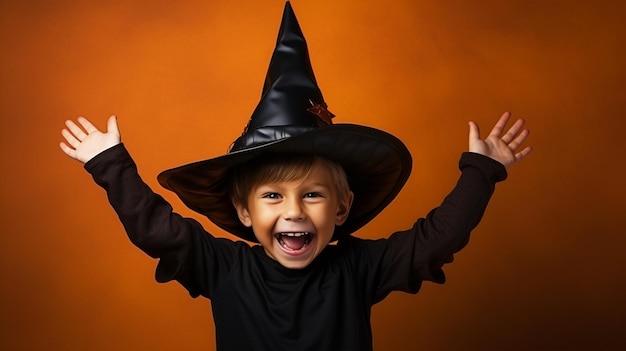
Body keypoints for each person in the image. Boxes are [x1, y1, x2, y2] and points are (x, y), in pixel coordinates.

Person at [59, 2, 531, 350]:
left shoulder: (359, 268)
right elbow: (159, 231)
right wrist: (110, 164)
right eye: (272, 196)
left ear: (342, 206)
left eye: (312, 195)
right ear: (244, 210)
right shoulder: (224, 268)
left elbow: (436, 239)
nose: (293, 211)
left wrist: (481, 171)